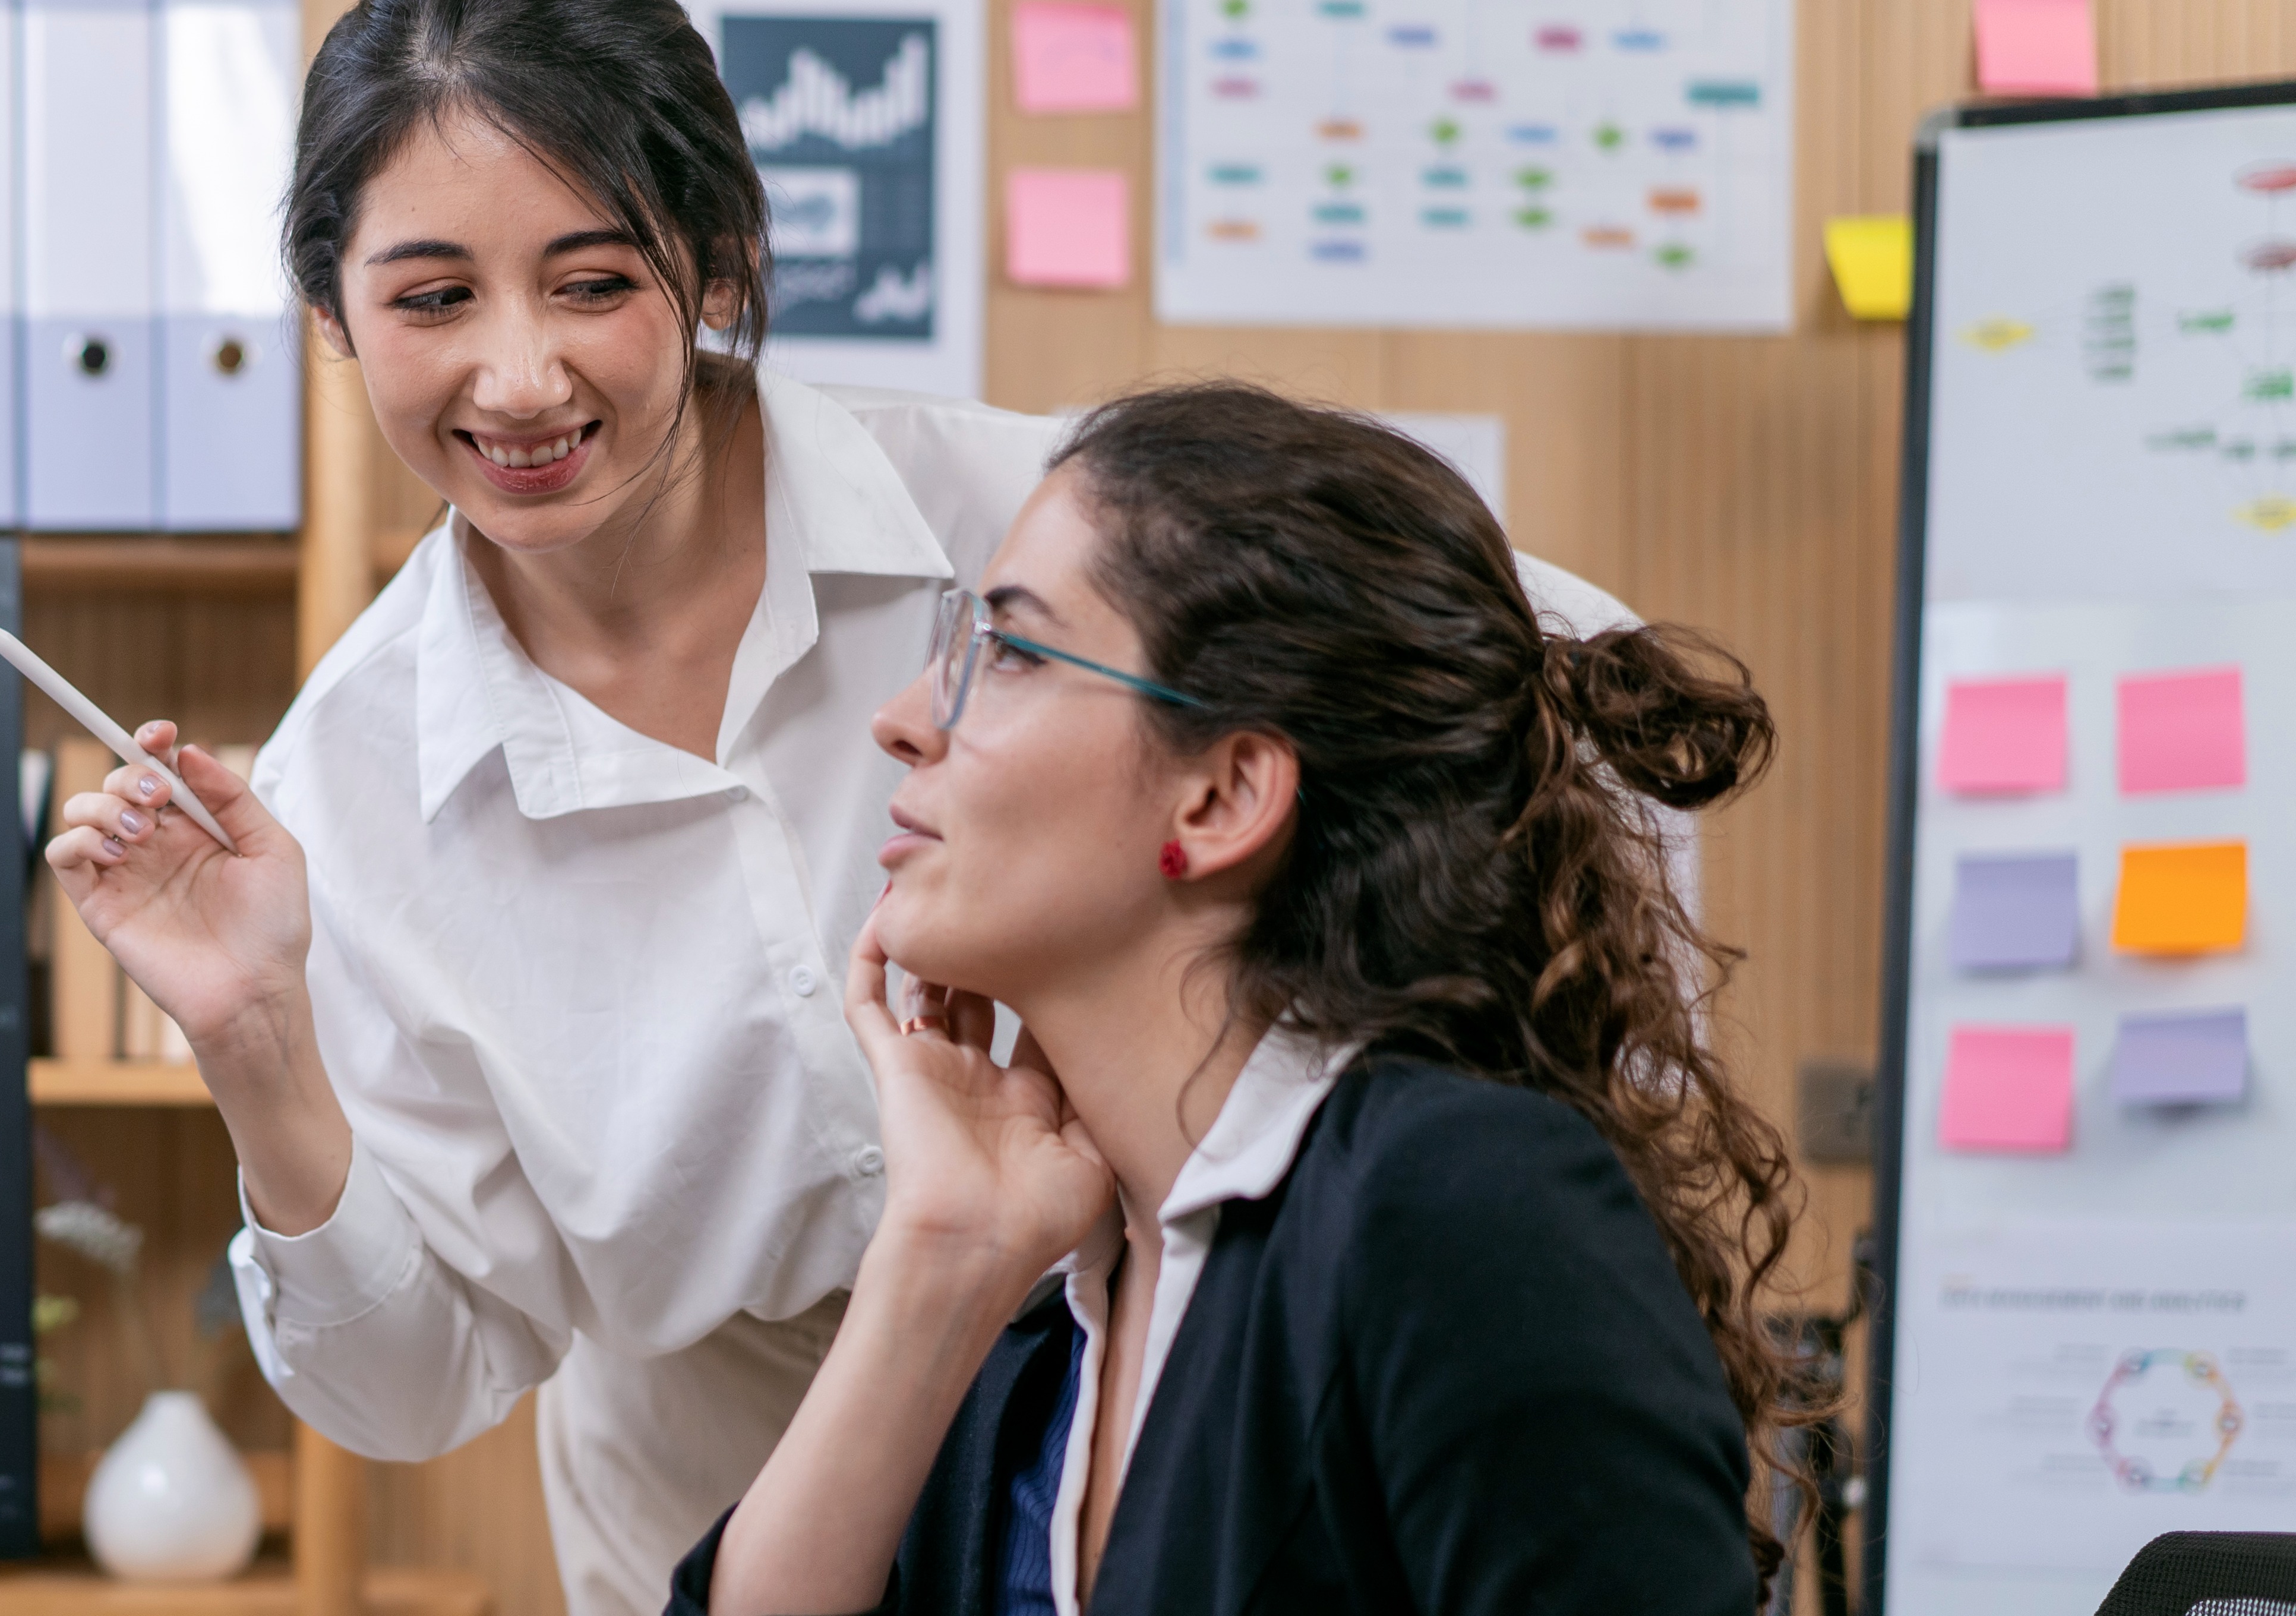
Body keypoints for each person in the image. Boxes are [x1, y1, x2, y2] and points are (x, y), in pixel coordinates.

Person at [42, 1, 1670, 1606]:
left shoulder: (1027, 527)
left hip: (1152, 1365)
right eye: (433, 298)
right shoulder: (351, 781)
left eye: (594, 283)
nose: (519, 377)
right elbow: (408, 1383)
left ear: (719, 263)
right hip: (733, 1479)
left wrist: (1522, 1136)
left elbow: (1566, 668)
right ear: (333, 310)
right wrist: (255, 1043)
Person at [671, 381, 1804, 1615]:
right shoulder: (1041, 1336)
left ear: (1220, 799)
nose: (900, 722)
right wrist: (939, 1254)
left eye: (1006, 653)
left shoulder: (1458, 1204)